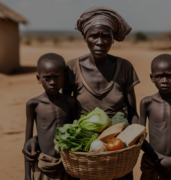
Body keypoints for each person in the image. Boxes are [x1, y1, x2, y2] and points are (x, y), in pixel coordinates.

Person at [23, 7, 138, 180]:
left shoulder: (125, 68)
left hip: (117, 149)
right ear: (85, 38)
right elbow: (62, 111)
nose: (100, 41)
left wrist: (134, 140)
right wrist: (37, 138)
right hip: (83, 151)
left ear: (113, 39)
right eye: (94, 36)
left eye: (106, 35)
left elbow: (133, 112)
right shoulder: (71, 69)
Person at [24, 53, 78, 180]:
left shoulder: (70, 102)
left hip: (67, 166)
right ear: (38, 78)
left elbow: (76, 132)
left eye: (58, 77)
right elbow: (26, 144)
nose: (53, 82)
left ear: (64, 77)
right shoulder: (33, 104)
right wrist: (27, 175)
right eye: (47, 78)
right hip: (44, 167)